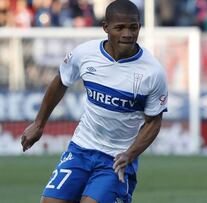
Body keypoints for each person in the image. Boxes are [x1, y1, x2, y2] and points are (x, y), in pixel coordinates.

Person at [20, 0, 168, 202]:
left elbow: (153, 123)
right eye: (120, 27)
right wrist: (39, 124)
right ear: (106, 28)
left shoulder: (153, 72)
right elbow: (61, 82)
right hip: (81, 149)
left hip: (116, 159)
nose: (128, 33)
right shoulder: (85, 53)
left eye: (133, 27)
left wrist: (130, 154)